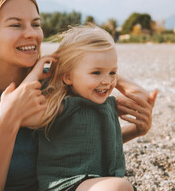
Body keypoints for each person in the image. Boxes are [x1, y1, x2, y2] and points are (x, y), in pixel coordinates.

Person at [0, 0, 157, 191]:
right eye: (16, 25)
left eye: (36, 24)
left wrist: (133, 130)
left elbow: (74, 143)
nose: (31, 34)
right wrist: (6, 124)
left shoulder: (56, 84)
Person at [27, 25, 133, 191]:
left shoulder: (109, 105)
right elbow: (24, 110)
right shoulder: (62, 106)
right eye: (96, 72)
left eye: (113, 73)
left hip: (96, 183)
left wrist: (112, 76)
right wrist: (36, 73)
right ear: (68, 76)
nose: (107, 81)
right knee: (118, 187)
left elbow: (141, 96)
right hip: (65, 185)